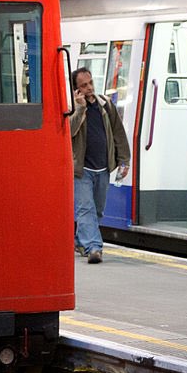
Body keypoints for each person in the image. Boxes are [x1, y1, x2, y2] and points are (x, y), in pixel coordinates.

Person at [70, 67, 130, 264]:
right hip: (82, 169)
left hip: (103, 167)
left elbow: (118, 132)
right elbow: (69, 131)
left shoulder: (105, 105)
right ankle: (94, 247)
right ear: (76, 89)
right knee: (85, 209)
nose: (89, 88)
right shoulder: (72, 107)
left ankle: (80, 240)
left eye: (90, 83)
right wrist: (79, 109)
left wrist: (124, 160)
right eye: (83, 86)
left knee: (97, 210)